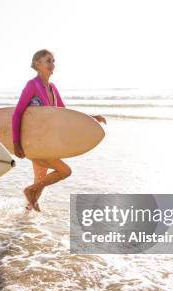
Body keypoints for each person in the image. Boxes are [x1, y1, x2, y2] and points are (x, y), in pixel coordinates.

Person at [12, 49, 106, 212]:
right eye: (48, 60)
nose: (52, 64)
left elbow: (65, 113)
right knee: (64, 171)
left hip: (48, 143)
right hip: (37, 143)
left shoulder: (52, 88)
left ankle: (25, 218)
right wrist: (16, 143)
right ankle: (28, 192)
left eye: (53, 61)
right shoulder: (32, 85)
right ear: (37, 64)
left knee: (40, 181)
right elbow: (17, 113)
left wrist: (90, 118)